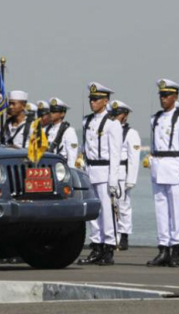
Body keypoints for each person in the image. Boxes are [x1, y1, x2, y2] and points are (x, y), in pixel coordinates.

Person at [145, 80, 179, 267]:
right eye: (161, 95)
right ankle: (163, 248)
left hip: (174, 167)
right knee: (161, 211)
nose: (163, 99)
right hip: (159, 167)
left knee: (175, 211)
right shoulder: (155, 119)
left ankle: (175, 250)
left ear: (175, 97)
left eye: (167, 95)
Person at [77, 82, 122, 266]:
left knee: (107, 211)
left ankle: (109, 247)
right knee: (93, 212)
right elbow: (86, 146)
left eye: (96, 99)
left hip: (105, 171)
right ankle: (96, 246)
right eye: (91, 99)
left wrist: (114, 178)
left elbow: (116, 153)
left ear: (105, 101)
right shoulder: (87, 121)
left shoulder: (112, 123)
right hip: (90, 170)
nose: (92, 102)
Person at [108, 100, 141, 251]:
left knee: (123, 206)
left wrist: (131, 179)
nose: (115, 117)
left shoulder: (130, 133)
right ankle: (112, 236)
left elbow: (134, 157)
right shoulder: (107, 129)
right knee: (109, 206)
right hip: (108, 171)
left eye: (118, 114)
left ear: (125, 115)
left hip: (122, 172)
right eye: (113, 114)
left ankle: (124, 235)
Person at [45, 97, 78, 168]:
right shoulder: (47, 130)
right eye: (50, 111)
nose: (51, 113)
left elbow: (71, 158)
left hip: (60, 170)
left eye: (54, 111)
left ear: (62, 114)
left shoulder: (69, 132)